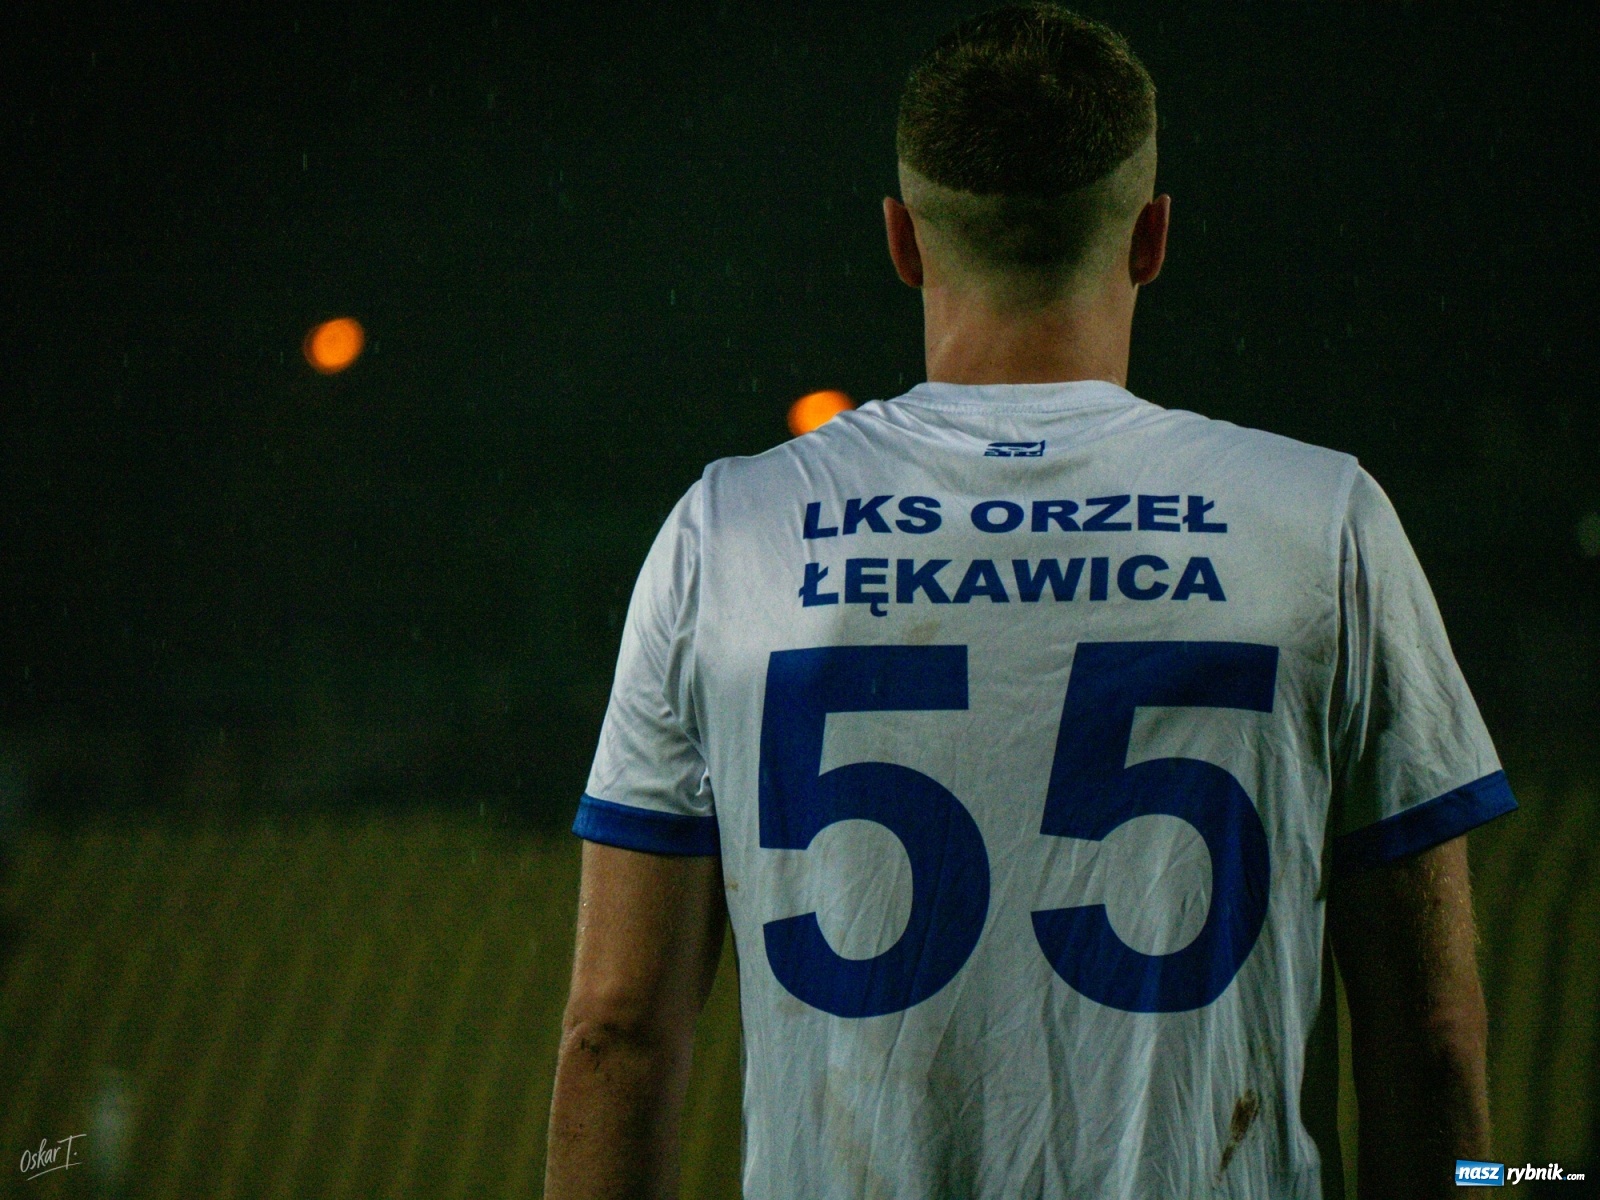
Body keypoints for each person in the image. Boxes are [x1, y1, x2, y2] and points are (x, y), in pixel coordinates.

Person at [543, 5, 1517, 1197]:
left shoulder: (728, 534)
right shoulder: (1321, 523)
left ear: (902, 242)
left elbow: (616, 1031)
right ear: (1151, 236)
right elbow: (1430, 1040)